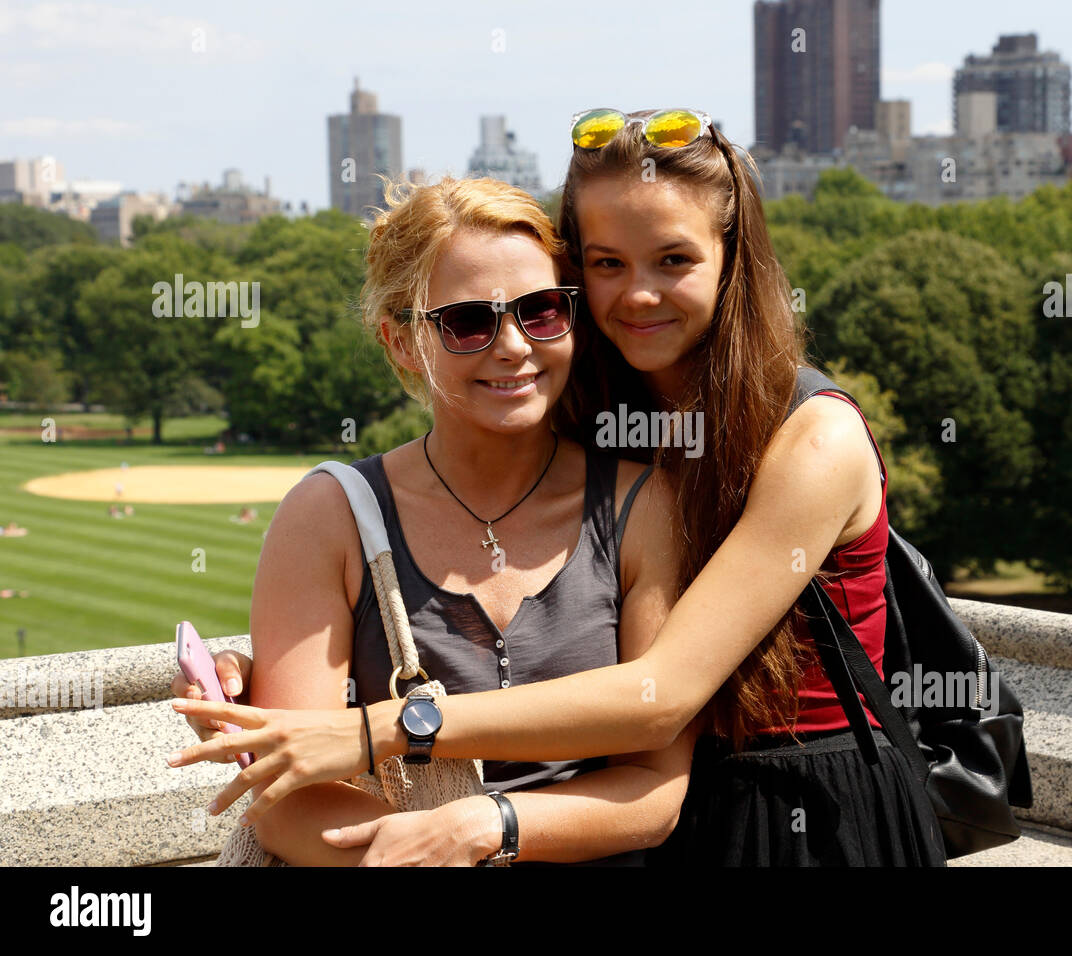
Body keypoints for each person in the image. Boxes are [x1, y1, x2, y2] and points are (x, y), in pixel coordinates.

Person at [172, 108, 946, 866]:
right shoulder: (612, 412)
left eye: (673, 259)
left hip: (810, 804)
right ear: (403, 342)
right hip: (674, 820)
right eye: (607, 264)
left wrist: (382, 728)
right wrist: (283, 669)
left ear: (732, 259)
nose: (638, 294)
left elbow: (662, 695)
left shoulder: (812, 437)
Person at [172, 175, 694, 866]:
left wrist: (488, 830)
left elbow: (656, 791)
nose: (512, 345)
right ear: (400, 343)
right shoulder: (329, 516)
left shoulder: (642, 507)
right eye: (470, 321)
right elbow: (293, 801)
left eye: (541, 311)